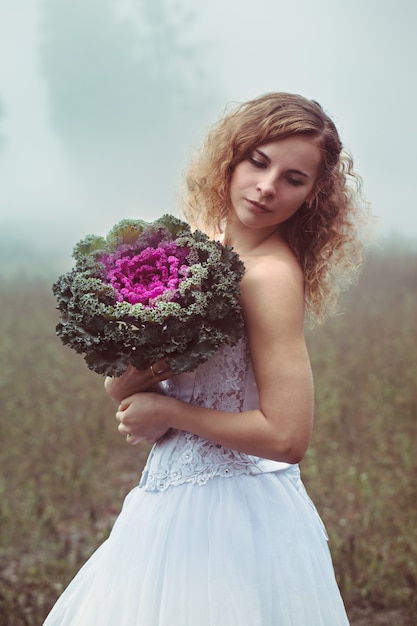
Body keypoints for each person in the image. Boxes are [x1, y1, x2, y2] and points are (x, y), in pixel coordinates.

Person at [43, 92, 369, 625]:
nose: (267, 187)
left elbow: (288, 438)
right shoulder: (198, 251)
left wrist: (170, 414)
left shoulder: (269, 277)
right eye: (259, 162)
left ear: (313, 195)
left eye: (294, 178)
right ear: (232, 159)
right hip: (168, 495)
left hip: (230, 511)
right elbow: (121, 387)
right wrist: (140, 377)